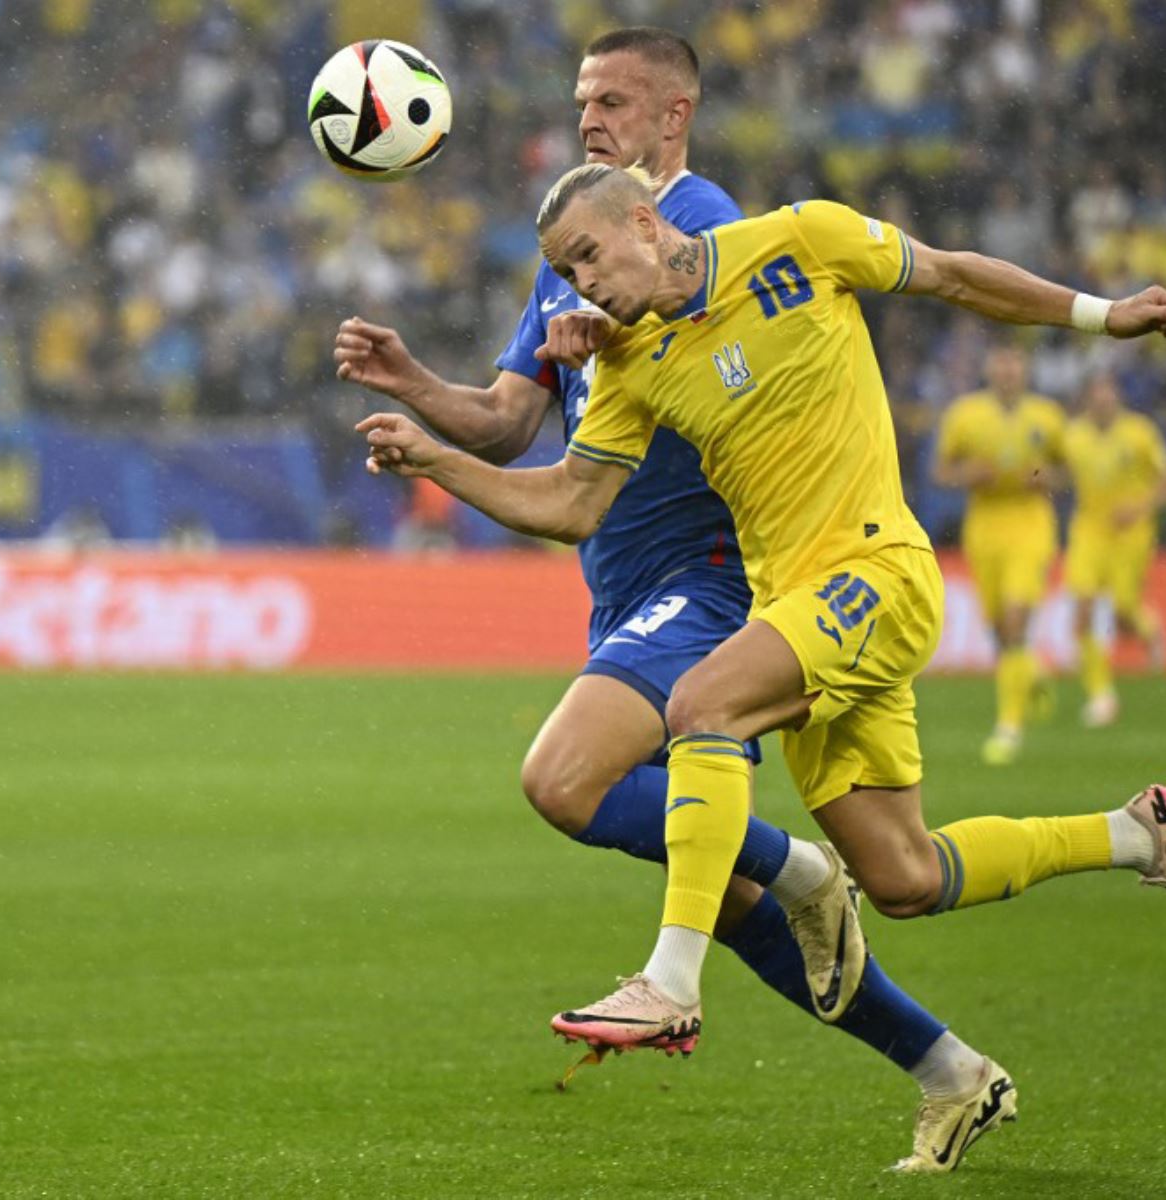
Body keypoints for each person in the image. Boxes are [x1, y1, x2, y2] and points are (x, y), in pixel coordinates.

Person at [358, 163, 1166, 1172]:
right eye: (562, 270)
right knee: (903, 876)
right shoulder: (634, 362)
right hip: (795, 617)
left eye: (589, 255)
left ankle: (671, 981)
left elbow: (947, 276)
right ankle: (1134, 836)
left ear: (647, 220)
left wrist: (1100, 314)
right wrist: (434, 459)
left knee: (703, 703)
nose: (581, 283)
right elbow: (570, 503)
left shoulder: (799, 239)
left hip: (877, 573)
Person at [334, 28, 999, 1166]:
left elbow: (701, 356)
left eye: (613, 99)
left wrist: (623, 325)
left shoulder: (697, 232)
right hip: (622, 590)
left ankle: (793, 869)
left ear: (672, 116)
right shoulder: (571, 241)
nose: (589, 115)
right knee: (730, 897)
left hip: (713, 578)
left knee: (564, 779)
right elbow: (510, 419)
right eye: (581, 97)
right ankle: (950, 1067)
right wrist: (417, 385)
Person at [931, 342, 1065, 764]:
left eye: (1015, 364)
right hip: (984, 528)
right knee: (1000, 631)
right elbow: (940, 470)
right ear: (991, 369)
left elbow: (1065, 472)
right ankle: (1034, 671)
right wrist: (969, 474)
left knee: (1013, 618)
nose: (1008, 372)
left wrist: (1041, 478)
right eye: (1002, 364)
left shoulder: (1047, 417)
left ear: (1024, 371)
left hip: (1031, 524)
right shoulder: (965, 415)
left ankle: (1008, 728)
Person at [1061, 371, 1166, 727]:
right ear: (1088, 400)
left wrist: (1139, 508)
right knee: (1081, 613)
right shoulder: (1072, 436)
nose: (1103, 401)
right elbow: (1051, 469)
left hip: (1131, 534)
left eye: (1108, 394)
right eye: (1096, 395)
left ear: (1118, 397)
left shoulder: (1139, 433)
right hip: (1088, 531)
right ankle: (1101, 695)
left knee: (1123, 610)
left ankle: (1149, 629)